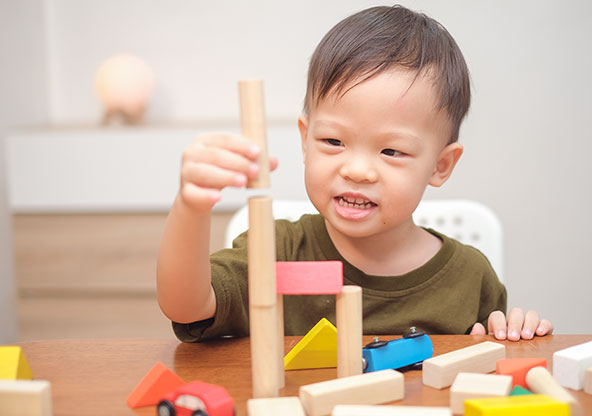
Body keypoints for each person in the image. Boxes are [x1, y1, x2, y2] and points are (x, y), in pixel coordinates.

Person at [157, 5, 553, 342]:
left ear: (440, 165)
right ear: (305, 137)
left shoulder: (471, 276)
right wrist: (191, 207)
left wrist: (513, 332)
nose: (358, 170)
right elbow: (186, 308)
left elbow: (488, 363)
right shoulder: (276, 249)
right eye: (332, 141)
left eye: (391, 150)